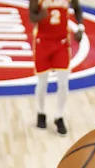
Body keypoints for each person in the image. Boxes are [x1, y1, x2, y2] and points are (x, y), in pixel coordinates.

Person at [28, 0, 82, 136]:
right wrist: (40, 16)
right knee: (42, 82)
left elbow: (77, 8)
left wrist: (80, 28)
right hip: (42, 43)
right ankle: (41, 113)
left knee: (63, 83)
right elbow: (31, 17)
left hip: (61, 43)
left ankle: (59, 116)